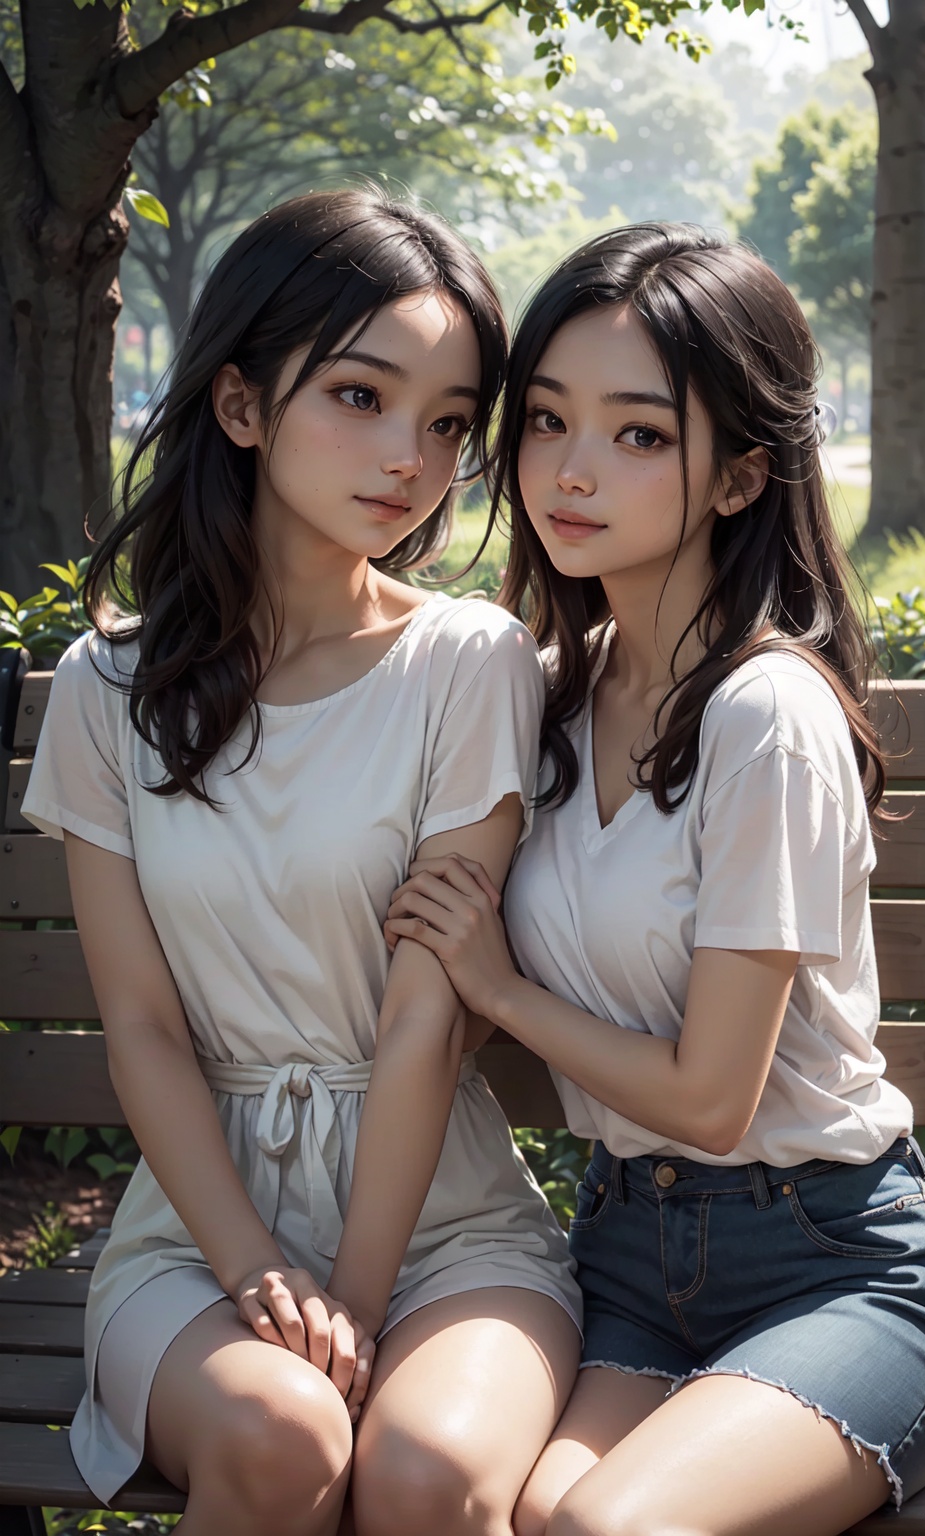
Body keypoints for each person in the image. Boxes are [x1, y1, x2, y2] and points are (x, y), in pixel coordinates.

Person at [386, 223, 925, 1536]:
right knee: (520, 1517)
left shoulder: (766, 716)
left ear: (740, 477)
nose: (573, 469)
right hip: (631, 1262)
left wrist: (496, 984)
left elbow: (715, 1101)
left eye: (639, 435)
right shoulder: (548, 694)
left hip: (842, 1273)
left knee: (608, 1530)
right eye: (546, 421)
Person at [23, 187, 581, 1536]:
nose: (410, 455)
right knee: (283, 1441)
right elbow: (145, 1032)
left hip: (448, 1229)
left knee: (424, 1475)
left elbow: (424, 1020)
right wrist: (265, 1273)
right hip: (200, 1237)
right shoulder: (112, 689)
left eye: (450, 423)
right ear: (240, 405)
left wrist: (360, 1304)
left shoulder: (469, 663)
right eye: (361, 396)